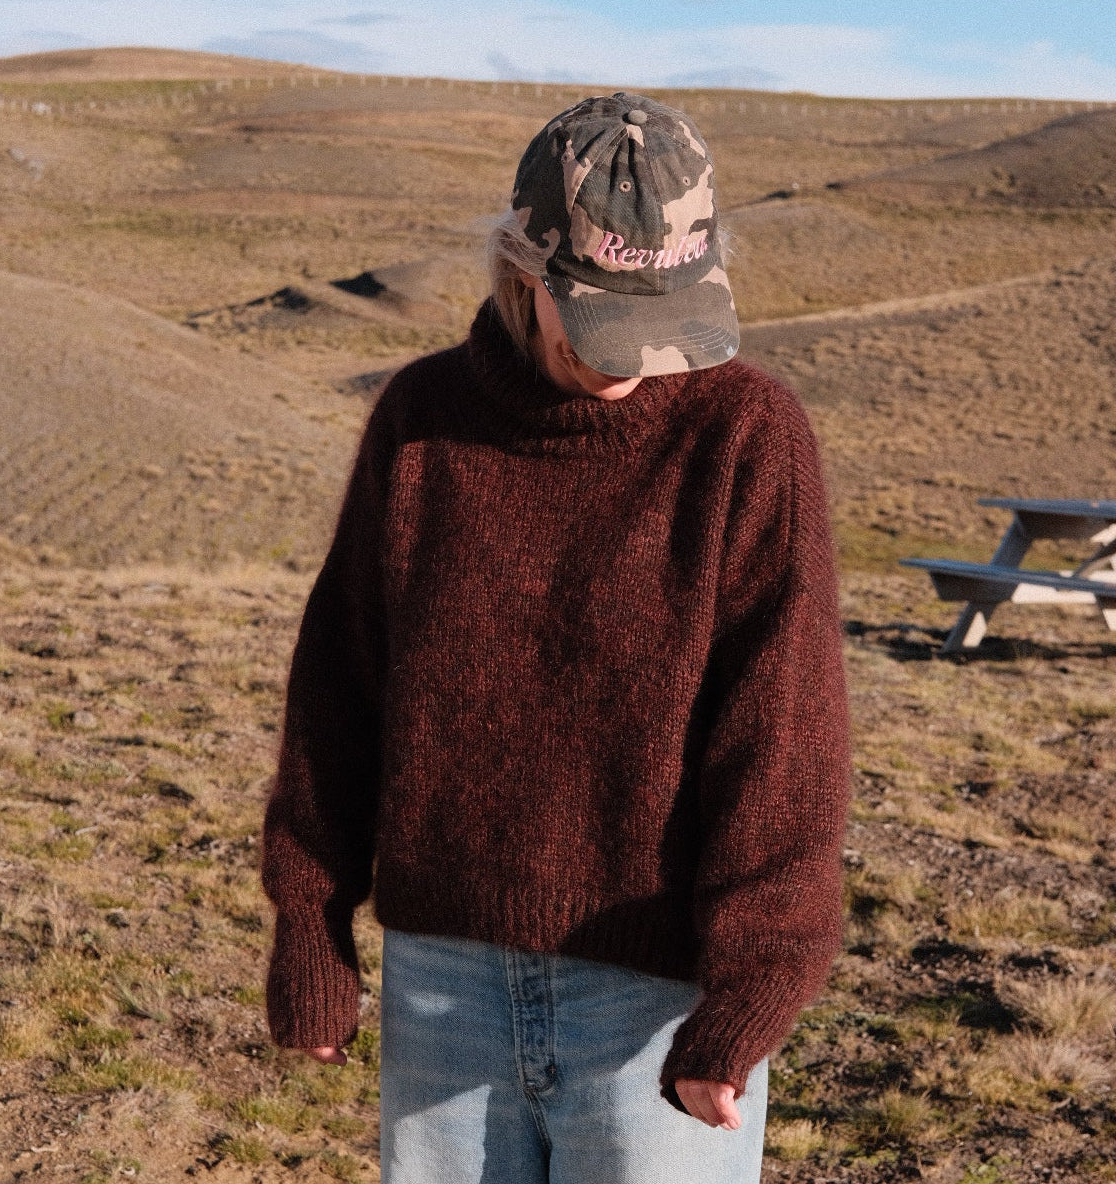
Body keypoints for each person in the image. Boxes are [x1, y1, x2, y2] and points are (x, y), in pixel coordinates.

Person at [261, 91, 850, 1184]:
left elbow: (783, 734)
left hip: (656, 994)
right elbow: (339, 683)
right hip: (443, 979)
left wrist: (753, 983)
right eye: (601, 323)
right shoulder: (422, 421)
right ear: (523, 272)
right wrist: (312, 914)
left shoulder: (745, 436)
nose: (632, 360)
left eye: (663, 318)